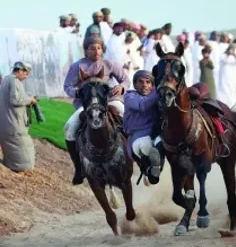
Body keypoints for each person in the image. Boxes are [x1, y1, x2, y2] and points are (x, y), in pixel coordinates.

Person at [63, 36, 130, 185]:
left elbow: (125, 79)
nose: (96, 51)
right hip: (86, 104)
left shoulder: (110, 64)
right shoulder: (77, 66)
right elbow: (67, 86)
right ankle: (79, 168)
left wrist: (121, 87)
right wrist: (77, 93)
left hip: (110, 101)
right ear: (86, 50)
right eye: (92, 48)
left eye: (99, 48)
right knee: (69, 128)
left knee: (127, 118)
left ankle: (138, 157)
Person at [123, 70, 164, 184]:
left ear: (152, 84)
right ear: (135, 84)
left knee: (164, 143)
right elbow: (142, 106)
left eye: (148, 82)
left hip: (155, 134)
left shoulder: (156, 97)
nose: (145, 85)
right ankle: (150, 169)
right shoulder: (130, 96)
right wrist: (158, 89)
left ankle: (156, 168)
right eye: (140, 82)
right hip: (137, 137)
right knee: (146, 145)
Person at [0, 62, 37, 172]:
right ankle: (16, 169)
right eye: (26, 73)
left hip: (7, 124)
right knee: (26, 162)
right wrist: (30, 100)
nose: (26, 76)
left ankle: (11, 165)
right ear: (20, 70)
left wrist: (28, 98)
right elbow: (15, 100)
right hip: (14, 125)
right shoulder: (14, 81)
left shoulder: (7, 80)